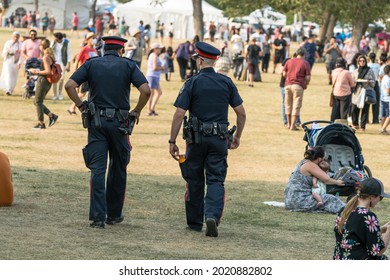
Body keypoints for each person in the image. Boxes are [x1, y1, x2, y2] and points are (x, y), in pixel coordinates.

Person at [64, 36, 151, 229]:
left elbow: (69, 85)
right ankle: (113, 214)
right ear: (121, 50)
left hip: (97, 123)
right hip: (120, 124)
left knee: (97, 169)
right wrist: (136, 111)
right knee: (118, 167)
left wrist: (81, 107)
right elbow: (145, 90)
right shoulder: (129, 66)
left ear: (104, 48)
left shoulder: (92, 64)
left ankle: (97, 217)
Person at [169, 42, 246, 237]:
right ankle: (211, 216)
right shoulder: (226, 82)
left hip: (195, 140)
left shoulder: (192, 82)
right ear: (215, 61)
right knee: (216, 180)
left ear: (200, 61)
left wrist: (172, 141)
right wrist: (237, 136)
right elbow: (241, 113)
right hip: (219, 139)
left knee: (194, 179)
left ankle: (194, 223)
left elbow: (179, 113)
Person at [333, 177, 390, 260]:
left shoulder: (344, 211)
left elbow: (355, 235)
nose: (379, 201)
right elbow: (378, 251)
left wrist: (380, 230)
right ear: (372, 197)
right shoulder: (368, 216)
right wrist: (388, 232)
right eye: (380, 197)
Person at [284, 146, 345, 213]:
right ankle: (347, 210)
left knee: (322, 199)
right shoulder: (310, 165)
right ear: (319, 159)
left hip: (290, 200)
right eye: (323, 158)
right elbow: (326, 179)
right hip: (300, 201)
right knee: (330, 198)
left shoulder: (303, 162)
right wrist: (337, 182)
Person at [29, 39, 59, 129]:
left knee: (38, 102)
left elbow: (48, 71)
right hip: (47, 82)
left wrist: (36, 72)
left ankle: (41, 123)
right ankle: (51, 115)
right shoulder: (49, 56)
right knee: (37, 102)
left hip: (43, 81)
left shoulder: (46, 57)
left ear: (42, 46)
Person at [67, 32, 97, 114]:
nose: (94, 39)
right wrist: (76, 73)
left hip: (93, 75)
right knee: (82, 93)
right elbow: (77, 60)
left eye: (95, 38)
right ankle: (72, 107)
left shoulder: (94, 49)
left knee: (86, 93)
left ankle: (72, 108)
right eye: (92, 38)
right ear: (88, 40)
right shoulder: (85, 49)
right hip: (86, 75)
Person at [282, 47, 311, 131]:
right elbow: (308, 77)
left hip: (287, 85)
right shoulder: (305, 63)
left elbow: (284, 73)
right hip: (298, 85)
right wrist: (306, 83)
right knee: (296, 105)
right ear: (304, 55)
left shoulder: (289, 61)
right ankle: (293, 125)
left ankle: (288, 123)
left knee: (287, 104)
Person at [351, 55, 376, 131]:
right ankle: (355, 124)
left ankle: (363, 126)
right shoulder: (355, 71)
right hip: (357, 91)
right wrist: (355, 82)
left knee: (365, 110)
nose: (362, 62)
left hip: (366, 91)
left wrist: (368, 82)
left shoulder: (370, 70)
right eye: (360, 61)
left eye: (363, 61)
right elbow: (352, 82)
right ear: (358, 62)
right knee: (355, 108)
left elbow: (373, 82)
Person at [330, 57, 355, 121]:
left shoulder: (333, 71)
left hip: (335, 93)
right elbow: (352, 84)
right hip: (345, 94)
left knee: (335, 111)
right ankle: (342, 125)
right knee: (343, 112)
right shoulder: (346, 72)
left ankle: (334, 124)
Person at [0, 31, 22, 96]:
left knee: (14, 76)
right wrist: (6, 53)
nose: (16, 38)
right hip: (8, 60)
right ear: (12, 36)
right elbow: (4, 51)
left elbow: (21, 54)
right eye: (15, 36)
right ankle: (8, 89)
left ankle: (11, 89)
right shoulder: (8, 42)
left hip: (16, 61)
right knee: (8, 74)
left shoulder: (20, 44)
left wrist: (20, 62)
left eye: (17, 37)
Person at [51, 32, 71, 101]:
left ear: (60, 39)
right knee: (54, 79)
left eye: (57, 39)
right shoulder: (53, 43)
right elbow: (50, 50)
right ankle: (54, 94)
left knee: (61, 79)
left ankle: (60, 93)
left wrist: (68, 64)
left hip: (63, 63)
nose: (55, 40)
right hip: (55, 63)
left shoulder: (66, 43)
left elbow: (69, 54)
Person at [146, 42, 164, 116]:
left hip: (153, 76)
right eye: (159, 48)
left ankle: (152, 109)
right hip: (152, 76)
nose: (160, 50)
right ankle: (150, 110)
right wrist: (162, 68)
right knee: (152, 94)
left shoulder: (154, 55)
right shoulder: (154, 56)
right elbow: (155, 67)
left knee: (157, 93)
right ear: (155, 49)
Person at [367, 52, 381, 124]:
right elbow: (379, 74)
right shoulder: (378, 65)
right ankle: (375, 119)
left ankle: (366, 119)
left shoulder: (367, 65)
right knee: (376, 102)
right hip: (375, 83)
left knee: (367, 101)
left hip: (368, 83)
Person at [380, 65, 390, 134]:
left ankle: (382, 128)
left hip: (383, 98)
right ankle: (383, 129)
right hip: (388, 99)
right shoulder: (388, 79)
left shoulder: (384, 77)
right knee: (389, 115)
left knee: (384, 115)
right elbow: (388, 91)